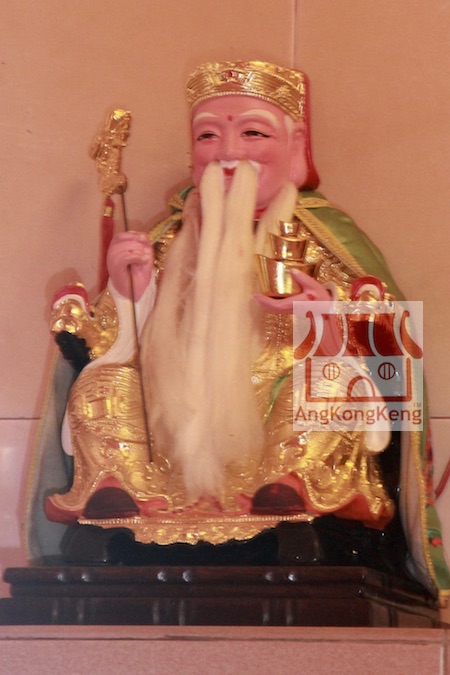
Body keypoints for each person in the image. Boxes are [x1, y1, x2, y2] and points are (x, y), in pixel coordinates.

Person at [26, 60, 449, 601]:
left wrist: (328, 326)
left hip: (282, 434)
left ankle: (290, 490)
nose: (228, 151)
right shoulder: (165, 239)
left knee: (329, 385)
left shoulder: (329, 239)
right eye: (208, 135)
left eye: (253, 133)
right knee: (101, 385)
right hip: (170, 451)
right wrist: (131, 294)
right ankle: (121, 490)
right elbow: (106, 346)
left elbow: (391, 369)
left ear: (296, 145)